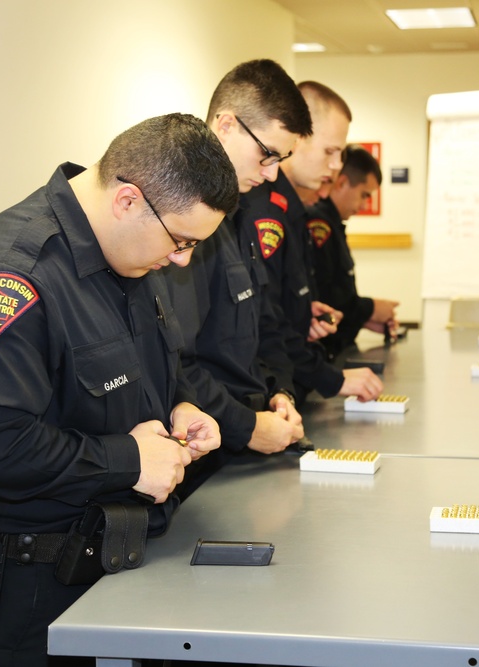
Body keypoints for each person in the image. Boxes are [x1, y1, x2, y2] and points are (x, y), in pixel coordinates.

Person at [0, 113, 238, 667]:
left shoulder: (134, 256)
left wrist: (178, 409)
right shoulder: (9, 277)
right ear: (128, 201)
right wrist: (129, 460)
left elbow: (141, 374)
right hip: (18, 605)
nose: (183, 259)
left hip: (112, 564)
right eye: (182, 240)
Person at [164, 60, 310, 491]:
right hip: (203, 455)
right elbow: (175, 363)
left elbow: (261, 321)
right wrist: (246, 425)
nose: (271, 173)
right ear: (226, 124)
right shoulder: (180, 224)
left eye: (280, 160)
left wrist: (281, 393)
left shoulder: (239, 211)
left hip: (249, 444)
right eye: (266, 155)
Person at [241, 81, 383, 405]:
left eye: (341, 153)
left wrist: (304, 316)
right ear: (297, 138)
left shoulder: (292, 211)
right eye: (330, 151)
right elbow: (265, 326)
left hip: (289, 389)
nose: (336, 166)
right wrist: (330, 379)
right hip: (269, 397)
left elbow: (280, 307)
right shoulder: (263, 212)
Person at [307, 145, 399, 358]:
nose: (366, 205)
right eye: (364, 195)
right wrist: (371, 308)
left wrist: (364, 319)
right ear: (342, 183)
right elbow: (326, 297)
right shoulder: (319, 224)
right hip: (321, 352)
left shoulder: (333, 223)